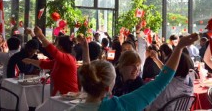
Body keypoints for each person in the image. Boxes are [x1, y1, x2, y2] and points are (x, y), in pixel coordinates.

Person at [66, 33, 198, 111]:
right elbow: (161, 82)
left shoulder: (72, 109)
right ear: (108, 88)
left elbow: (89, 73)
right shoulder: (119, 106)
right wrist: (179, 48)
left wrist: (85, 52)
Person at [22, 26, 79, 95]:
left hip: (69, 96)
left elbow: (53, 51)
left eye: (56, 44)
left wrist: (41, 36)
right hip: (60, 95)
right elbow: (45, 64)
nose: (55, 46)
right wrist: (30, 61)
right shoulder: (59, 60)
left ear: (60, 47)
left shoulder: (69, 58)